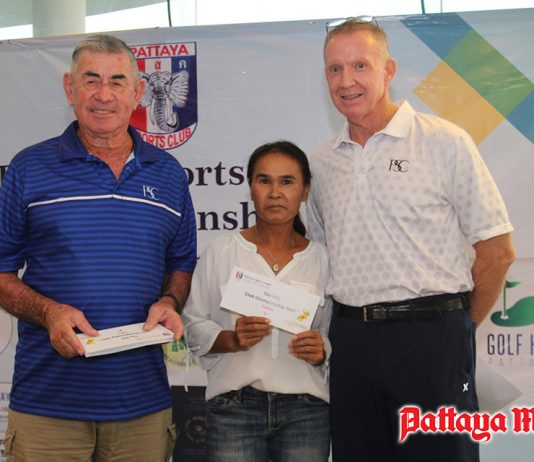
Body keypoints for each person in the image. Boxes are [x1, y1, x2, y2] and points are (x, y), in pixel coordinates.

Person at [306, 17, 516, 462]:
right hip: (351, 343)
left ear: (389, 70)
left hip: (432, 340)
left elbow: (497, 252)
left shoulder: (444, 142)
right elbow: (324, 258)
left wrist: (456, 329)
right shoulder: (321, 163)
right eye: (335, 69)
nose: (346, 81)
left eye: (360, 66)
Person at [0, 34, 197, 461]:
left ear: (138, 92)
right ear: (69, 88)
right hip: (48, 406)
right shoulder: (28, 168)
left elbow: (181, 263)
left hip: (141, 405)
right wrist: (49, 313)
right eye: (91, 80)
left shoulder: (168, 174)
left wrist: (170, 301)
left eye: (117, 81)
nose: (103, 95)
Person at [183, 141, 331, 462]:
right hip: (233, 408)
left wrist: (323, 350)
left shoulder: (324, 260)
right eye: (264, 181)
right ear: (251, 189)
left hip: (306, 410)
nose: (275, 192)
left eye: (287, 181)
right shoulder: (221, 251)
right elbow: (193, 324)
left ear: (305, 191)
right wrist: (232, 339)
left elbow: (337, 335)